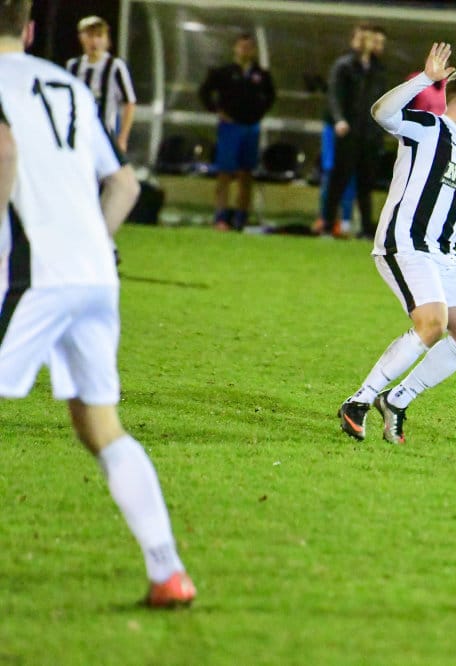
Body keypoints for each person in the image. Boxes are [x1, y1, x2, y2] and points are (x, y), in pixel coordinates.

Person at [0, 0, 195, 607]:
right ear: (30, 27)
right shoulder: (68, 85)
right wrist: (89, 247)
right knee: (98, 423)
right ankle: (167, 571)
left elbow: (4, 153)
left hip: (34, 273)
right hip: (93, 274)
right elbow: (125, 184)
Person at [338, 42, 456, 445]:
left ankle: (396, 400)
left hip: (444, 255)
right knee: (432, 324)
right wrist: (426, 80)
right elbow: (381, 113)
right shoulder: (428, 128)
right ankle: (359, 401)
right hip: (406, 243)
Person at [316, 23, 388, 239]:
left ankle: (366, 228)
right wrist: (339, 120)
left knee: (366, 183)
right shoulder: (344, 66)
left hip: (369, 133)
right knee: (339, 179)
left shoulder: (377, 69)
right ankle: (328, 223)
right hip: (349, 132)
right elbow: (334, 96)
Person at [198, 32, 275, 232]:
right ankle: (221, 216)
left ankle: (241, 217)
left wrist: (258, 113)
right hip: (230, 127)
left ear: (254, 50)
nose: (245, 51)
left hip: (251, 127)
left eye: (249, 47)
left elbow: (270, 96)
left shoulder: (260, 74)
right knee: (225, 173)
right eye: (242, 47)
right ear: (235, 48)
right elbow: (204, 92)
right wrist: (217, 111)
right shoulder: (224, 72)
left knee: (246, 173)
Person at [65, 15, 136, 153]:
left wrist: (122, 138)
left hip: (105, 136)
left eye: (99, 36)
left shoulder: (115, 66)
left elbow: (129, 102)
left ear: (106, 39)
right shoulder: (73, 66)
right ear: (81, 38)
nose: (94, 41)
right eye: (90, 36)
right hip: (78, 135)